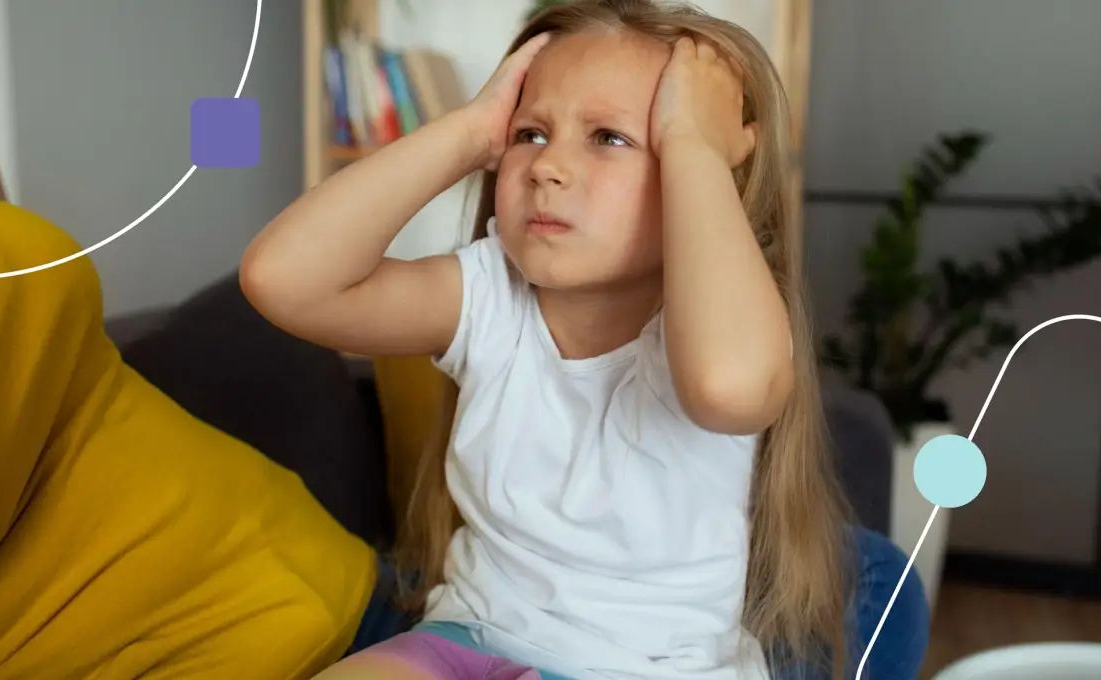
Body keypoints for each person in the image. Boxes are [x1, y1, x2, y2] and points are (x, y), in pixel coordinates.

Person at [240, 1, 929, 679]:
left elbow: (729, 388)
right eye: (531, 133)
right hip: (464, 639)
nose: (547, 166)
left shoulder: (723, 317)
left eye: (609, 138)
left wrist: (693, 146)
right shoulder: (489, 293)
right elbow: (283, 280)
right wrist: (471, 131)